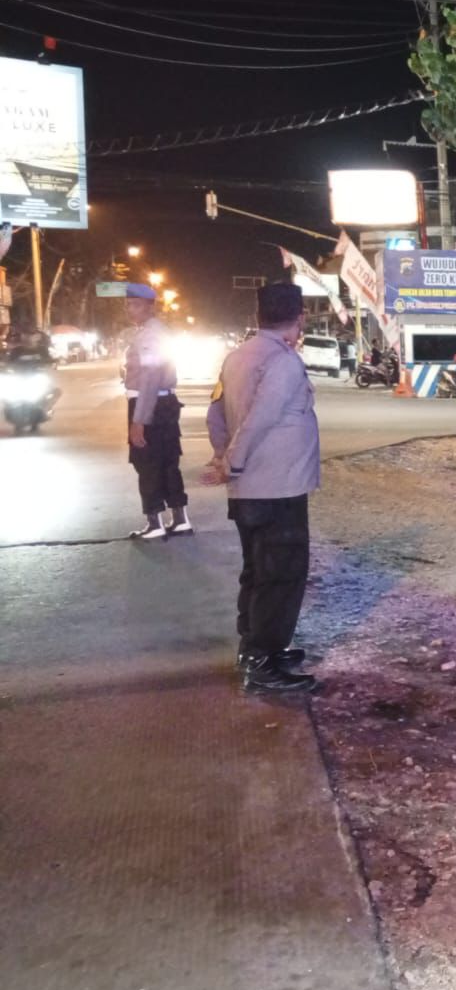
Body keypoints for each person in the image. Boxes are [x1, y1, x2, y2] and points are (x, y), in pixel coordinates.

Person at [202, 283, 321, 696]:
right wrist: (231, 463)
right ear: (300, 317)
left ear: (259, 315)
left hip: (250, 491)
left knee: (258, 571)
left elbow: (215, 413)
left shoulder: (236, 357)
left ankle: (256, 648)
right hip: (277, 489)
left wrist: (222, 455)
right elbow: (260, 419)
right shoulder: (282, 362)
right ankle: (262, 662)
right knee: (280, 576)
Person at [123, 282, 191, 539]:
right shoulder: (157, 331)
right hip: (164, 404)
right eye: (128, 305)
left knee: (147, 463)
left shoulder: (150, 335)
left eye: (136, 305)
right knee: (168, 462)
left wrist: (139, 419)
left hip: (148, 403)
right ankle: (180, 520)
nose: (130, 309)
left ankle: (154, 523)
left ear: (150, 307)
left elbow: (150, 377)